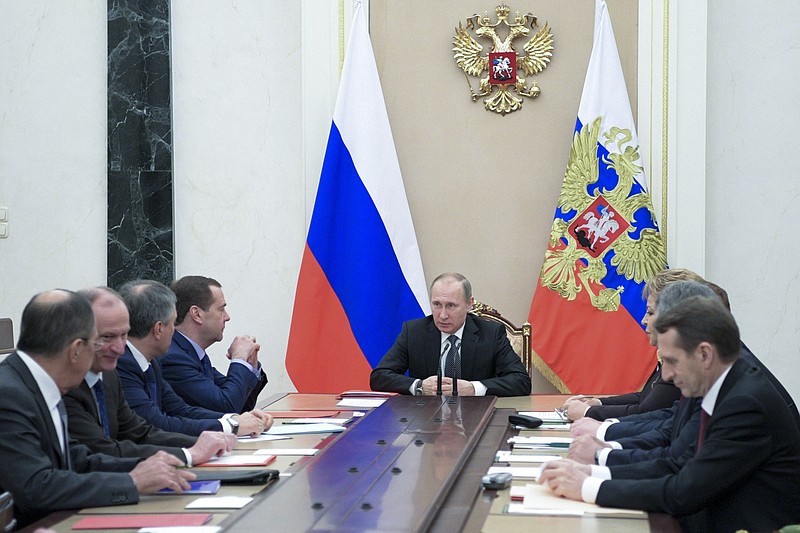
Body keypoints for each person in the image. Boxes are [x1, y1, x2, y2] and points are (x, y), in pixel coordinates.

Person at [539, 296, 800, 532]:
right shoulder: (726, 385)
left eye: (672, 361)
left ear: (705, 354)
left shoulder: (745, 404)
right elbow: (677, 464)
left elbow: (683, 491)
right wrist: (592, 473)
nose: (666, 376)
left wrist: (586, 487)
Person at [0, 290, 194, 528]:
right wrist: (132, 482)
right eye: (98, 342)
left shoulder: (38, 383)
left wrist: (148, 467)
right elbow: (35, 486)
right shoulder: (9, 394)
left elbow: (77, 460)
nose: (118, 350)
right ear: (76, 350)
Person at [64, 287, 237, 464]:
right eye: (107, 337)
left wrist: (209, 443)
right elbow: (100, 450)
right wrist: (190, 454)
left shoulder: (109, 375)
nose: (120, 348)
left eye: (124, 335)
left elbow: (140, 432)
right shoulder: (67, 385)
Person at [115, 280, 272, 437]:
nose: (174, 331)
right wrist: (232, 425)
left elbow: (181, 410)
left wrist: (234, 419)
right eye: (172, 323)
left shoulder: (151, 362)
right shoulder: (123, 364)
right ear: (158, 329)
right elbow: (157, 423)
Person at [559, 268, 701, 421]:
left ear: (674, 316)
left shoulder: (685, 361)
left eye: (650, 312)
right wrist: (596, 403)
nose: (644, 320)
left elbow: (646, 412)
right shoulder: (673, 354)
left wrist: (588, 412)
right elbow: (646, 398)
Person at [370, 272, 531, 397]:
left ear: (469, 304)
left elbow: (521, 381)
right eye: (437, 305)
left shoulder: (491, 333)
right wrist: (419, 386)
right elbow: (379, 377)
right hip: (425, 422)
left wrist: (473, 388)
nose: (442, 315)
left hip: (476, 417)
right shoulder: (414, 332)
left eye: (451, 306)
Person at [159, 276, 267, 413]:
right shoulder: (174, 358)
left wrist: (249, 365)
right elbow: (226, 407)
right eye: (221, 310)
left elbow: (241, 406)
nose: (227, 317)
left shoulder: (195, 354)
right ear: (197, 314)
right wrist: (239, 359)